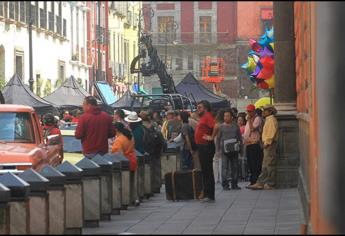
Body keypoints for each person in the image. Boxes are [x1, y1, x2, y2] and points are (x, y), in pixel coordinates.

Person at [249, 105, 278, 190]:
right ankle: (261, 182)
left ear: (270, 112)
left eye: (265, 110)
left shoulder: (271, 120)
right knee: (265, 165)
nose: (263, 112)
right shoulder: (268, 120)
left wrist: (267, 142)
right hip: (267, 144)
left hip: (270, 144)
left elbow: (271, 133)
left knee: (269, 164)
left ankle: (270, 183)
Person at [214, 109, 242, 190]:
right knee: (224, 167)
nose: (225, 117)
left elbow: (239, 137)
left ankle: (234, 184)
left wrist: (241, 150)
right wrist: (217, 150)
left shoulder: (236, 126)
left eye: (227, 116)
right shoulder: (221, 127)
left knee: (235, 167)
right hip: (224, 150)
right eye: (224, 116)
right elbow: (218, 139)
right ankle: (225, 184)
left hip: (234, 150)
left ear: (231, 117)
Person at [195, 100, 216, 202]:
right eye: (197, 107)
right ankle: (206, 193)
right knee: (205, 171)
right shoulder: (203, 117)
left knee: (207, 171)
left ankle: (209, 195)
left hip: (206, 146)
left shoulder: (207, 116)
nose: (197, 109)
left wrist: (211, 137)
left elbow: (216, 126)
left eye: (200, 107)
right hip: (202, 146)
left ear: (205, 108)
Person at [243, 104, 264, 187]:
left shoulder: (257, 119)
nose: (248, 113)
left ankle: (255, 181)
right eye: (247, 111)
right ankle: (252, 181)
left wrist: (249, 120)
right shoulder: (249, 119)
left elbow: (252, 129)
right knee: (250, 164)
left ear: (253, 111)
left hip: (254, 144)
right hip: (248, 144)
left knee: (255, 164)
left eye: (250, 111)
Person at [213, 109, 225, 184]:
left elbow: (213, 134)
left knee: (215, 160)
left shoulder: (216, 124)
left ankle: (215, 178)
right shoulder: (224, 124)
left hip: (215, 140)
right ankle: (221, 177)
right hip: (222, 141)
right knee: (221, 160)